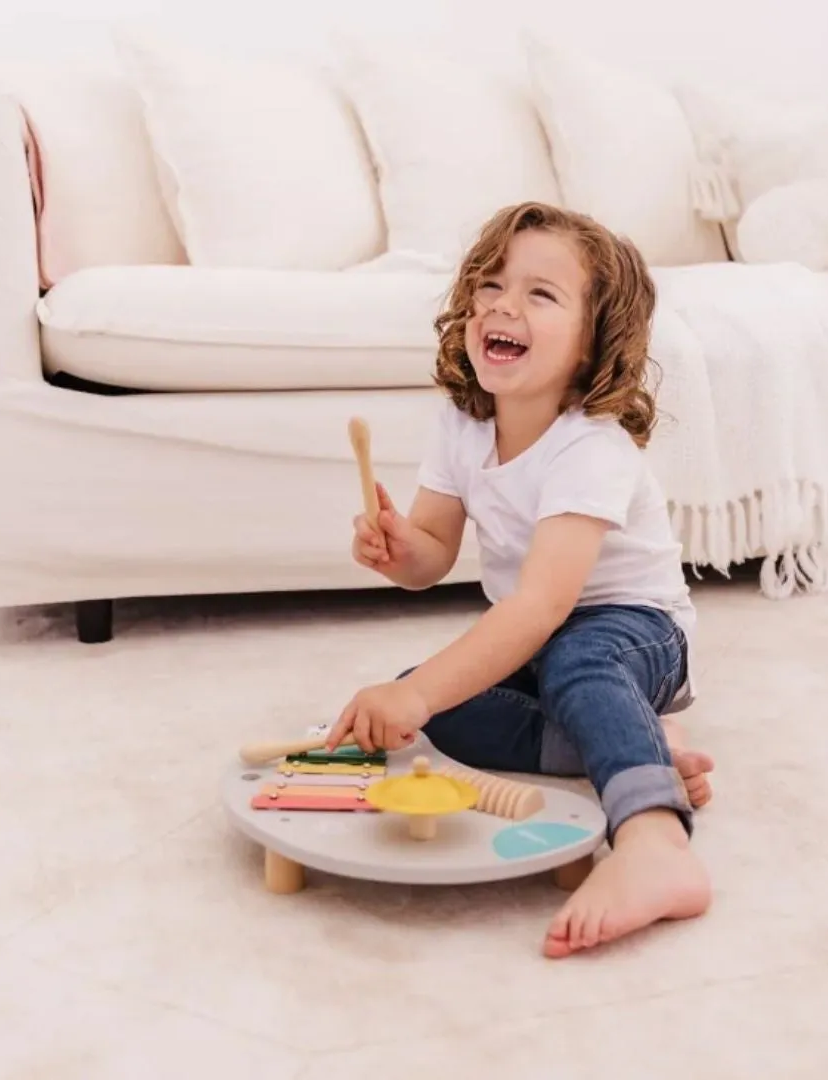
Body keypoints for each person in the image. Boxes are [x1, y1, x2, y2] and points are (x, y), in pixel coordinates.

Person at [326, 201, 714, 958]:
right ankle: (629, 741)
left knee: (563, 661)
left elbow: (541, 606)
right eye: (492, 285)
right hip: (545, 642)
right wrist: (399, 548)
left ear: (594, 342)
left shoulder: (591, 446)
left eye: (542, 294)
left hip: (634, 631)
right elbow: (434, 551)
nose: (505, 304)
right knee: (434, 708)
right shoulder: (464, 423)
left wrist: (416, 690)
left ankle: (656, 842)